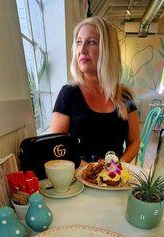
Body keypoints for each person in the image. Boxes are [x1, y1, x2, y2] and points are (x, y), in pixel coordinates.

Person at [50, 16, 140, 163]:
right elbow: (57, 146)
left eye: (91, 42)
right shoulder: (69, 93)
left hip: (114, 178)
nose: (82, 50)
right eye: (79, 42)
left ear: (108, 50)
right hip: (77, 180)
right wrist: (89, 171)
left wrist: (116, 168)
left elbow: (134, 142)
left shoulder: (125, 97)